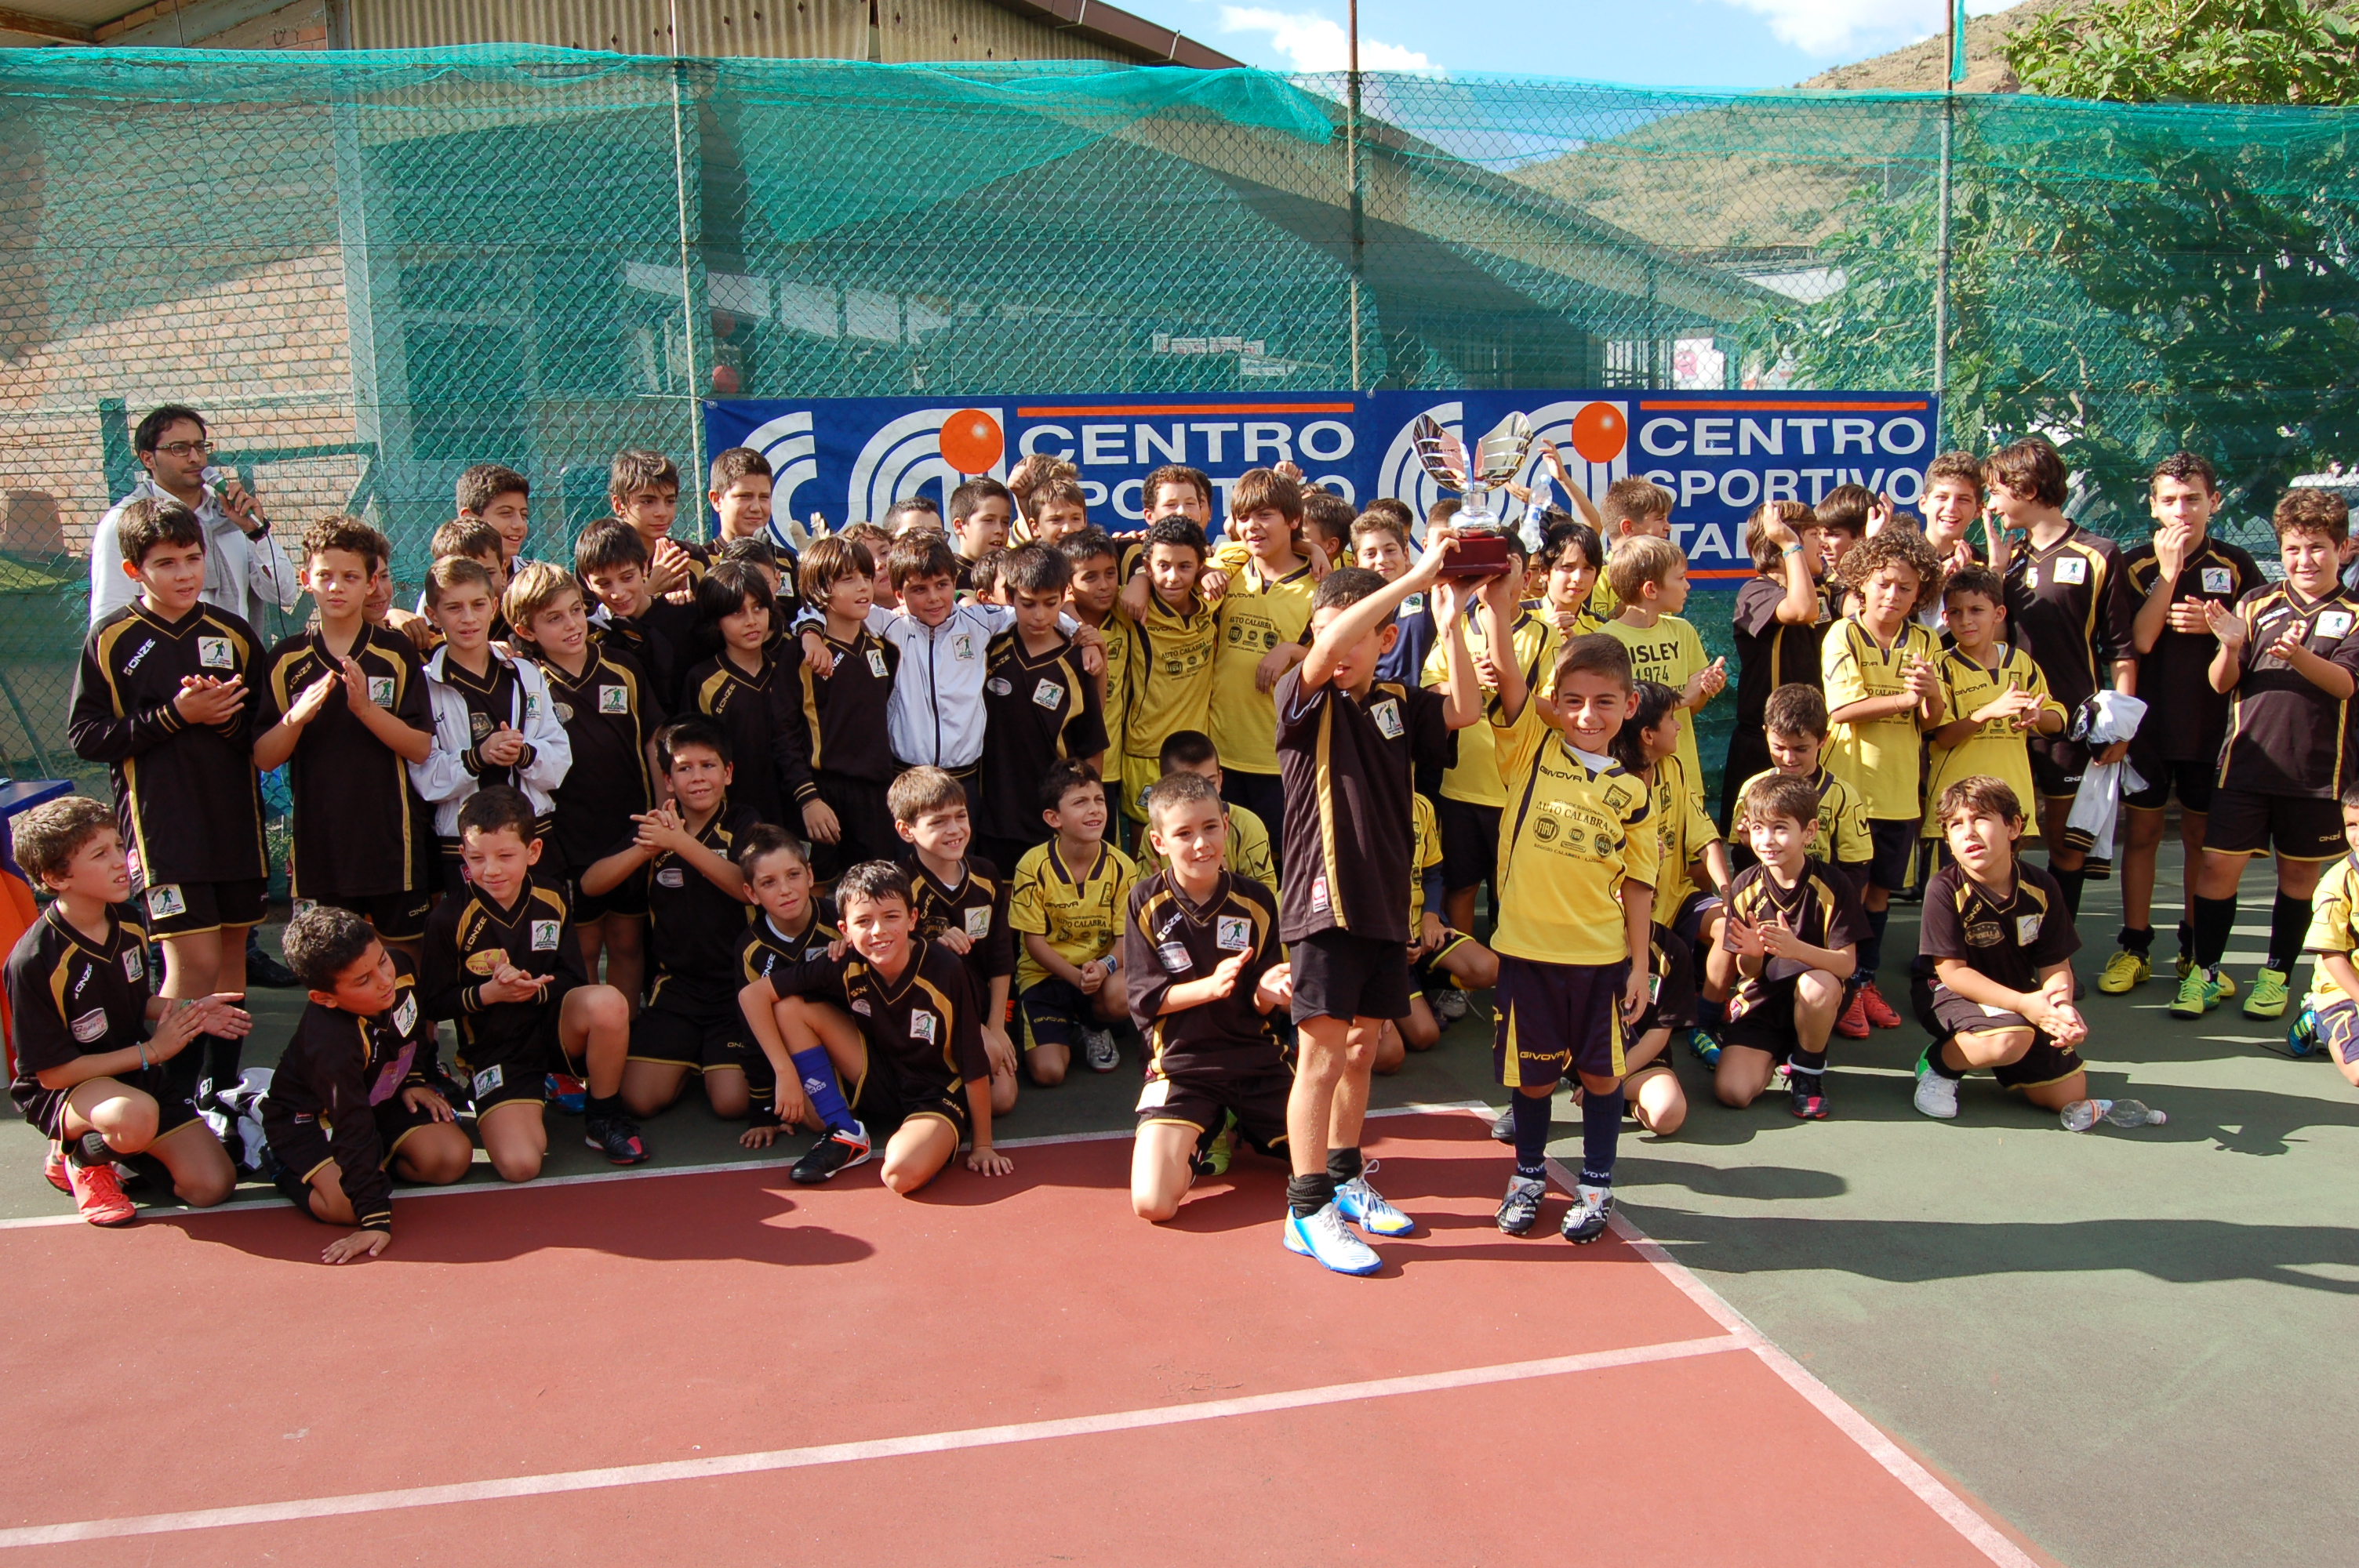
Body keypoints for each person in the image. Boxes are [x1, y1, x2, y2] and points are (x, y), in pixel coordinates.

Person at [1276, 549, 1481, 1273]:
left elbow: (1466, 709)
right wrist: (1413, 581)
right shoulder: (1304, 701)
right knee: (1322, 1055)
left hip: (1386, 907)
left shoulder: (1397, 702)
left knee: (1362, 1051)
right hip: (1323, 903)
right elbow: (1325, 649)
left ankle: (1343, 1175)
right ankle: (1306, 1211)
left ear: (1387, 640)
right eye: (1324, 628)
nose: (1335, 644)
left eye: (1357, 630)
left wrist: (1450, 624)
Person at [68, 497, 269, 1109]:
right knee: (193, 963)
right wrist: (175, 716)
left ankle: (223, 1086)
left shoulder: (231, 633)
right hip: (164, 831)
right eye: (166, 563)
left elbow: (260, 734)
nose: (184, 573)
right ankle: (173, 1094)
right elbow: (87, 736)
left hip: (235, 823)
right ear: (135, 571)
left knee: (232, 952)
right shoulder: (113, 639)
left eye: (192, 558)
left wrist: (222, 715)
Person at [1485, 628, 1653, 1240]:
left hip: (1600, 960)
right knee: (1531, 1080)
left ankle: (1596, 1185)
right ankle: (1529, 1178)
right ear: (1555, 701)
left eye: (1605, 701)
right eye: (1574, 700)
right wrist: (1497, 603)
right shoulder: (1531, 747)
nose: (1588, 714)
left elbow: (1639, 884)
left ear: (1630, 706)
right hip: (1527, 956)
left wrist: (1639, 965)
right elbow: (1507, 674)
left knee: (1603, 1078)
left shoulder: (1634, 791)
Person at [6, 796, 246, 1225]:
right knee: (131, 1116)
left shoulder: (130, 920)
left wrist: (189, 1010)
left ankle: (119, 1148)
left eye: (120, 846)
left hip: (131, 1076)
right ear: (55, 877)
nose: (122, 862)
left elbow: (134, 1003)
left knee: (211, 1186)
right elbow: (50, 1074)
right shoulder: (33, 961)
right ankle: (81, 1159)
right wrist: (151, 1053)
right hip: (68, 1088)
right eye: (101, 854)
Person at [2176, 488, 2359, 1019]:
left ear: (2342, 549)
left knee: (2298, 878)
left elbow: (2345, 685)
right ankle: (2204, 973)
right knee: (2216, 868)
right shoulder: (2257, 603)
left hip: (2317, 775)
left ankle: (2276, 975)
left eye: (2318, 548)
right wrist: (2230, 645)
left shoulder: (2351, 614)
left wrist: (2298, 655)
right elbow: (2220, 684)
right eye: (2294, 549)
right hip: (2245, 766)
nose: (2305, 560)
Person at [2106, 452, 2266, 994]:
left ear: (2213, 502)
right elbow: (2141, 640)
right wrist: (2169, 578)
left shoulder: (2238, 563)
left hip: (2211, 729)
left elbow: (2258, 637)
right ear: (2153, 506)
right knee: (2144, 834)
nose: (2182, 510)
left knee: (2201, 837)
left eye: (2193, 499)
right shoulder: (2134, 565)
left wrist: (2223, 626)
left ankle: (2197, 953)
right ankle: (2134, 945)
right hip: (2149, 730)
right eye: (2170, 500)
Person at [758, 860, 1009, 1195]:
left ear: (912, 919)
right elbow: (752, 995)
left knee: (899, 1175)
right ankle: (845, 1131)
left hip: (934, 1092)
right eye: (863, 921)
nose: (878, 931)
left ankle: (926, 1141)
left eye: (891, 916)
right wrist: (783, 1071)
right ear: (845, 930)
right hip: (878, 1076)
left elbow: (972, 1059)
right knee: (788, 1007)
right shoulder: (845, 962)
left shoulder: (945, 968)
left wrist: (983, 1145)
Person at [249, 515, 437, 959]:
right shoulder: (285, 659)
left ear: (371, 583)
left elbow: (420, 746)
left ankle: (415, 1032)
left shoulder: (395, 652)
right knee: (334, 961)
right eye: (324, 576)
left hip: (393, 843)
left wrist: (366, 710)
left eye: (350, 577)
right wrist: (295, 719)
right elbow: (263, 757)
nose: (336, 587)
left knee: (405, 960)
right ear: (305, 580)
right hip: (322, 847)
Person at [424, 787, 638, 1175]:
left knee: (607, 1001)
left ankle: (602, 1117)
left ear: (533, 852)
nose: (491, 869)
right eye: (477, 858)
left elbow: (574, 977)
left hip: (554, 1032)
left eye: (506, 856)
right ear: (463, 856)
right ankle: (511, 1098)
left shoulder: (552, 895)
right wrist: (488, 994)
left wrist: (534, 988)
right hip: (497, 1052)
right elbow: (435, 1003)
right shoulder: (447, 918)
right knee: (520, 1165)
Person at [1125, 769, 1296, 1221]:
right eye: (1183, 833)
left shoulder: (1257, 900)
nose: (1201, 844)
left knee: (1334, 1165)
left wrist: (1267, 992)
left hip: (1254, 1060)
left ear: (1225, 823)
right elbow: (1144, 1001)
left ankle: (1248, 1123)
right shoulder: (1143, 900)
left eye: (1209, 828)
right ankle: (1203, 1133)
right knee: (1153, 1203)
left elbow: (1262, 1004)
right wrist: (1209, 987)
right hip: (1181, 1066)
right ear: (1159, 842)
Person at [264, 906, 471, 1261]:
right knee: (347, 1207)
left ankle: (367, 1165)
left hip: (378, 1097)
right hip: (315, 1117)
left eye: (381, 962)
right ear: (324, 997)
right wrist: (375, 1219)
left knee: (451, 1159)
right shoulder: (329, 1041)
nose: (384, 979)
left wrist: (416, 1079)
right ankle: (280, 1162)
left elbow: (415, 1031)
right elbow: (349, 1121)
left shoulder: (399, 966)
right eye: (363, 980)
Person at [503, 561, 664, 1012]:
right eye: (554, 618)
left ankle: (628, 1031)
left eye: (576, 610)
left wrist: (664, 805)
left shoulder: (622, 667)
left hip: (629, 825)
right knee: (583, 946)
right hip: (566, 835)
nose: (572, 624)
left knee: (630, 943)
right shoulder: (525, 681)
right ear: (526, 628)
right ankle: (588, 1042)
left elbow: (653, 738)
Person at [1989, 437, 2137, 924]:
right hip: (2002, 721)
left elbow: (2121, 650)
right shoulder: (2002, 557)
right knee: (1994, 837)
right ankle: (1998, 944)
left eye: (1997, 491)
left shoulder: (2099, 553)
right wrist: (1992, 570)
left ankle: (2055, 948)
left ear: (2026, 488)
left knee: (2065, 846)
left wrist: (2120, 728)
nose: (1991, 504)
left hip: (2070, 725)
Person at [585, 722, 757, 1138]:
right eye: (684, 769)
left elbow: (746, 888)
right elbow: (592, 884)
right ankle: (687, 1057)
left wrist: (680, 843)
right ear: (667, 780)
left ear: (728, 773)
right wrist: (645, 849)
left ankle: (709, 1059)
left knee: (732, 1103)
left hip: (737, 989)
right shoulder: (657, 826)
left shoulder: (745, 823)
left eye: (708, 765)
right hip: (676, 990)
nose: (697, 777)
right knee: (638, 1101)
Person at [1820, 524, 1946, 1036]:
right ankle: (1838, 988)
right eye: (1885, 583)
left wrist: (1932, 692)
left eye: (1907, 587)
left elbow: (1933, 721)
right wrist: (1905, 698)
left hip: (1900, 796)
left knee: (1878, 896)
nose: (1893, 595)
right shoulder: (1842, 634)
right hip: (1848, 791)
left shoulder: (1927, 640)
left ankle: (1864, 983)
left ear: (1922, 594)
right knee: (1843, 897)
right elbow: (1844, 708)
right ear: (1862, 583)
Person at [1910, 777, 2092, 1120]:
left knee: (2067, 1095)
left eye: (1980, 818)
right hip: (1948, 990)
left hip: (2015, 995)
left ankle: (1993, 1046)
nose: (1969, 832)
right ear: (1948, 840)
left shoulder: (2042, 885)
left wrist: (2060, 1010)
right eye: (1955, 825)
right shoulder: (1944, 888)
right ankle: (1939, 1064)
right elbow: (1952, 971)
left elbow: (2055, 967)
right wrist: (2025, 1004)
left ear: (2013, 827)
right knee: (2008, 1040)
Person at [410, 557, 571, 899]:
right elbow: (426, 780)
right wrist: (477, 757)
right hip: (464, 847)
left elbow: (559, 762)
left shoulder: (525, 673)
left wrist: (524, 753)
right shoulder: (424, 686)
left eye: (478, 605)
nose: (468, 618)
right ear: (433, 616)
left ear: (494, 606)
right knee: (475, 950)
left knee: (541, 943)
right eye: (454, 608)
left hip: (533, 835)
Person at [1426, 528, 1556, 939]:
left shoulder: (1544, 635)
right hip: (1461, 788)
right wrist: (1462, 682)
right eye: (1484, 576)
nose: (1493, 585)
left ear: (1525, 577)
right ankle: (1459, 981)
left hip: (1519, 791)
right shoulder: (1454, 626)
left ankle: (1512, 976)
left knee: (1514, 892)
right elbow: (1432, 691)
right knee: (1461, 886)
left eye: (1503, 575)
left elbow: (1558, 709)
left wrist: (1508, 688)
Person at [1717, 773, 1866, 1118]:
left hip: (1819, 994)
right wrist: (1752, 955)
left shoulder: (1834, 884)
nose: (1767, 840)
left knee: (1816, 986)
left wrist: (1795, 949)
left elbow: (1845, 966)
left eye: (1780, 828)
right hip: (1764, 1002)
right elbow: (1748, 972)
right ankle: (1781, 1054)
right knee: (1733, 1092)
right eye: (1757, 828)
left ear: (1809, 832)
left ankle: (1808, 1071)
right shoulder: (1744, 886)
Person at [729, 824, 871, 1171]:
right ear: (751, 893)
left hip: (856, 1037)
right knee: (818, 1122)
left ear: (810, 875)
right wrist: (764, 1108)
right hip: (798, 1053)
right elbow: (751, 1030)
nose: (786, 890)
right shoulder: (750, 948)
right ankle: (835, 1111)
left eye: (793, 875)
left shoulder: (842, 922)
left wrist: (855, 957)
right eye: (769, 883)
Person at [88, 403, 300, 633]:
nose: (195, 457)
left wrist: (257, 534)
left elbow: (284, 593)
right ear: (148, 459)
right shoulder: (125, 521)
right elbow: (109, 620)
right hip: (169, 662)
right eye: (179, 448)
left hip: (238, 659)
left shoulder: (229, 515)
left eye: (200, 446)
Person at [890, 766, 1020, 1112]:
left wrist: (995, 1025)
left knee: (1002, 1099)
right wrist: (929, 949)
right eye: (937, 822)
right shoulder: (898, 886)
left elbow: (1001, 956)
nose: (954, 830)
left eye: (960, 816)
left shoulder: (986, 874)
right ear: (906, 831)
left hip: (980, 1009)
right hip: (928, 1013)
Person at [978, 544, 1110, 877]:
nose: (1039, 615)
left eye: (1050, 604)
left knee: (1049, 904)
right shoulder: (989, 647)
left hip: (1051, 812)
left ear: (1064, 596)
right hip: (994, 808)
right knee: (1003, 901)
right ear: (1009, 597)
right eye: (1028, 604)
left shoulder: (1076, 661)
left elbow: (1092, 744)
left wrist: (1082, 804)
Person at [1921, 564, 2066, 867]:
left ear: (1998, 614)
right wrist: (1988, 712)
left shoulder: (2021, 663)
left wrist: (2036, 715)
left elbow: (2057, 721)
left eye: (1976, 610)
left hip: (2010, 805)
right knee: (1955, 899)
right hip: (1958, 809)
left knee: (2004, 895)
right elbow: (1942, 736)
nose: (1966, 620)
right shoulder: (1942, 666)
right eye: (1956, 613)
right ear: (1945, 619)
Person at [1209, 470, 1318, 858]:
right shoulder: (1227, 572)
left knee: (1282, 872)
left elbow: (1342, 659)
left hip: (1281, 760)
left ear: (1293, 520)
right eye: (1244, 517)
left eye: (1265, 515)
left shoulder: (1319, 585)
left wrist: (1292, 649)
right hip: (1220, 756)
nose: (1252, 526)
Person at [1010, 760, 1139, 1080]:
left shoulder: (1123, 866)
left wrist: (1105, 966)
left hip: (1098, 974)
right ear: (1054, 818)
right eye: (1080, 802)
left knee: (1123, 992)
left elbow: (1127, 939)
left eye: (1098, 800)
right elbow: (1033, 942)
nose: (1094, 809)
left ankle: (1093, 1025)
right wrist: (1074, 976)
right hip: (1048, 974)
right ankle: (1057, 1024)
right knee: (1048, 1073)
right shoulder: (1032, 865)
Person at [682, 561, 818, 833]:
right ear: (716, 621)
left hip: (799, 811)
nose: (751, 620)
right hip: (735, 820)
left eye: (759, 607)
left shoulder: (789, 667)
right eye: (736, 612)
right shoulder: (703, 680)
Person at [794, 536, 901, 880]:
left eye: (866, 577)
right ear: (820, 589)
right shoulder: (803, 655)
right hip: (824, 794)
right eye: (848, 579)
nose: (863, 588)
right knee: (819, 890)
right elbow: (784, 733)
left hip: (876, 793)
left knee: (877, 889)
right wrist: (808, 799)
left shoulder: (883, 646)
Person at [1723, 499, 1825, 830]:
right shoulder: (1756, 592)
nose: (1822, 542)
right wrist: (1790, 543)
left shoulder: (1822, 591)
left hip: (1813, 743)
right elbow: (1800, 610)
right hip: (1765, 744)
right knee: (1757, 844)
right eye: (1813, 534)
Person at [1114, 516, 1221, 827]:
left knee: (1196, 829)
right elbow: (1078, 594)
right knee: (1144, 832)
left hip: (1197, 751)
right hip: (1146, 749)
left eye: (1185, 566)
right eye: (1163, 566)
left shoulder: (1213, 599)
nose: (1173, 577)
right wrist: (1138, 581)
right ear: (1149, 566)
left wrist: (1313, 549)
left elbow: (1247, 548)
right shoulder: (1132, 608)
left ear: (1200, 565)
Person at [1601, 535, 1724, 788]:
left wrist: (1705, 689)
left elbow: (1691, 709)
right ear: (1651, 590)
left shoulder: (1683, 631)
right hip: (1629, 777)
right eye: (1680, 578)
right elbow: (1615, 713)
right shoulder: (1604, 641)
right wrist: (1682, 698)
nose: (1688, 586)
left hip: (1682, 773)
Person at [577, 518, 696, 713]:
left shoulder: (684, 617)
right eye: (604, 584)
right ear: (588, 582)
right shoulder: (591, 636)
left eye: (627, 578)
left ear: (644, 567)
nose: (618, 593)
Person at [1152, 731, 1279, 896]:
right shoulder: (1159, 830)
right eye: (1184, 834)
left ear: (1220, 779)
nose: (1202, 794)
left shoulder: (1248, 825)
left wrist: (1226, 884)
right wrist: (1162, 891)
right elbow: (1144, 900)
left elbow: (1267, 894)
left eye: (1210, 783)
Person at [2297, 785, 2359, 1091]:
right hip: (2343, 988)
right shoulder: (2337, 884)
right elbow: (2331, 955)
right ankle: (2317, 1015)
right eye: (2352, 825)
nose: (2358, 835)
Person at [1352, 509, 1438, 686]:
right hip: (1375, 708)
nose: (1382, 559)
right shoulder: (1350, 612)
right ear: (1356, 563)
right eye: (1370, 553)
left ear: (1406, 555)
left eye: (1390, 550)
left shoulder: (1432, 595)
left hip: (1427, 706)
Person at [1580, 477, 1674, 622]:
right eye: (1660, 519)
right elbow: (1593, 633)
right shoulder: (1598, 576)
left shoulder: (1659, 575)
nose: (1668, 527)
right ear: (1628, 528)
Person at [610, 449, 701, 597]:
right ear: (619, 505)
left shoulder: (692, 557)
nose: (662, 512)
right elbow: (597, 619)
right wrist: (651, 589)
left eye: (670, 501)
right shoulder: (602, 559)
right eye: (648, 501)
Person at [457, 463, 534, 575]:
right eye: (506, 513)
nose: (519, 525)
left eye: (524, 515)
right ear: (469, 519)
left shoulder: (543, 581)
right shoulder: (443, 585)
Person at [948, 478, 1015, 590]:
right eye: (989, 520)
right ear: (959, 526)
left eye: (1005, 522)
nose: (999, 530)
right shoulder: (949, 578)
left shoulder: (1012, 575)